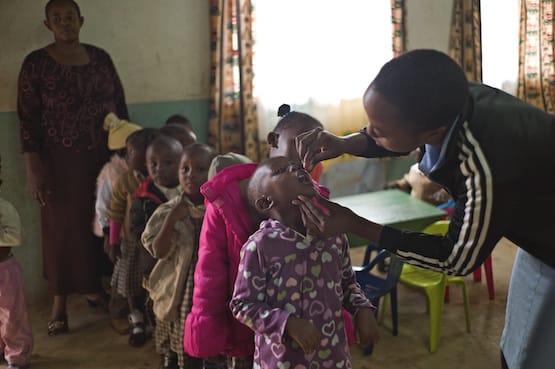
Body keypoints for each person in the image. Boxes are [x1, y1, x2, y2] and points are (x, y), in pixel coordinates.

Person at [294, 49, 555, 369]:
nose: (369, 131)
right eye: (370, 122)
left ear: (431, 135)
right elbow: (396, 134)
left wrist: (355, 224)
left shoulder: (485, 166)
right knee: (521, 341)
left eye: (378, 129)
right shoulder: (444, 103)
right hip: (539, 218)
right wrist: (346, 143)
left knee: (534, 353)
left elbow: (454, 257)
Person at [184, 107, 346, 368]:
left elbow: (333, 269)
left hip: (303, 327)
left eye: (316, 151)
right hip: (244, 320)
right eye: (300, 146)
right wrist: (209, 331)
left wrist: (350, 312)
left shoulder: (314, 200)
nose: (306, 159)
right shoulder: (225, 199)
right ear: (272, 141)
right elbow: (209, 272)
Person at [17, 0, 128, 335]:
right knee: (61, 232)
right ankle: (59, 305)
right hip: (58, 165)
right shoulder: (36, 64)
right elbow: (27, 121)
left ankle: (100, 292)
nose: (64, 23)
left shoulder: (101, 58)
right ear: (48, 24)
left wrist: (125, 156)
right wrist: (33, 169)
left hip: (103, 161)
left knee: (103, 226)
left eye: (70, 17)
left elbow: (120, 106)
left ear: (81, 21)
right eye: (57, 18)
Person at [230, 157, 378, 368]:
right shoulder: (260, 246)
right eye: (282, 170)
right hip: (281, 361)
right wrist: (286, 322)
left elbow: (348, 284)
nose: (296, 169)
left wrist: (362, 308)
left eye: (299, 167)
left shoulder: (334, 234)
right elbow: (242, 305)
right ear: (266, 202)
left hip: (332, 357)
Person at [141, 144, 216, 369]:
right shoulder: (168, 210)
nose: (191, 175)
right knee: (182, 334)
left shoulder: (217, 209)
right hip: (181, 287)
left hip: (210, 285)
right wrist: (172, 219)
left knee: (209, 338)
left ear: (213, 173)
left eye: (200, 169)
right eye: (185, 169)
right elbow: (158, 251)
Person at [129, 136, 184, 354]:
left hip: (181, 262)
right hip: (153, 262)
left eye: (167, 163)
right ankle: (163, 347)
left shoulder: (188, 189)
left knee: (179, 302)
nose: (159, 169)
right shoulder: (144, 196)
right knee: (157, 301)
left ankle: (177, 343)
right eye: (153, 164)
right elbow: (135, 231)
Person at [108, 128, 160, 347]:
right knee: (130, 282)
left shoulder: (160, 178)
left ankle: (157, 317)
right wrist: (112, 241)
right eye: (126, 153)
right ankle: (135, 317)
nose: (127, 157)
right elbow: (116, 211)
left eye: (131, 153)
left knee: (155, 280)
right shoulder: (125, 181)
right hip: (131, 241)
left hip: (156, 243)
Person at [94, 112, 142, 334]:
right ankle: (120, 313)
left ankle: (138, 313)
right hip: (120, 234)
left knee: (135, 275)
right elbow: (105, 207)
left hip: (138, 235)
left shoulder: (141, 173)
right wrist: (108, 235)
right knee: (123, 277)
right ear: (125, 152)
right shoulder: (111, 173)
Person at [0, 154, 33, 369]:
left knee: (13, 316)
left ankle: (17, 356)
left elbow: (15, 237)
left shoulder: (5, 208)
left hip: (5, 272)